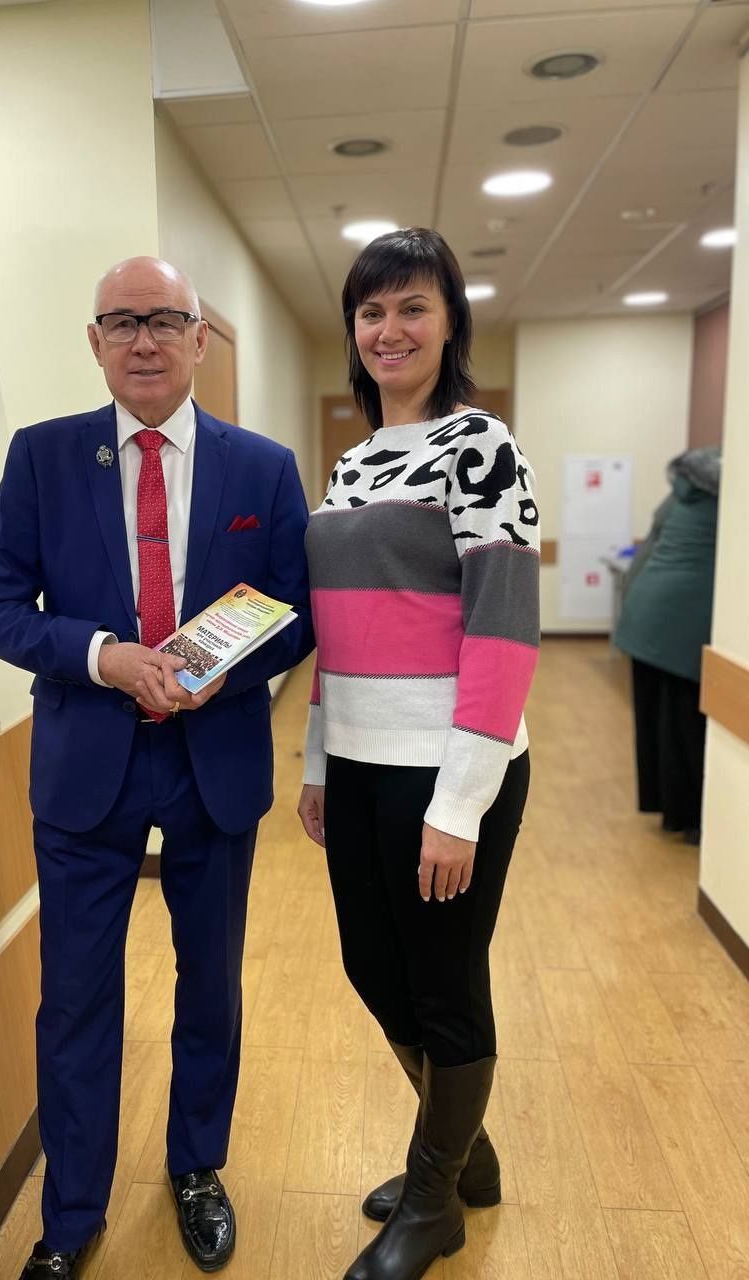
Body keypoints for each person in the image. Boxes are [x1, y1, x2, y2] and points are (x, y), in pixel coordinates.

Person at [0, 257, 313, 1279]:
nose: (144, 340)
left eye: (165, 320)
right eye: (122, 322)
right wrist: (101, 655)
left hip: (215, 760)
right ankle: (70, 1215)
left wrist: (233, 664)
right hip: (87, 766)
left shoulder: (263, 467)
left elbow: (297, 609)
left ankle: (196, 1167)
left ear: (201, 339)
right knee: (76, 996)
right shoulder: (43, 457)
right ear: (95, 342)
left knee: (211, 984)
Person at [297, 227, 540, 1280]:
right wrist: (318, 761)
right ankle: (463, 1153)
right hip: (357, 763)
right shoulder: (352, 463)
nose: (388, 329)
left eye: (412, 307)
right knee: (372, 965)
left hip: (446, 767)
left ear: (450, 324)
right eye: (371, 311)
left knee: (443, 982)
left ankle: (433, 1198)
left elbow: (504, 631)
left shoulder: (482, 446)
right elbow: (338, 630)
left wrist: (460, 803)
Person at [614, 446, 720, 844]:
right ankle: (692, 820)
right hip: (683, 622)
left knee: (658, 721)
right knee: (686, 725)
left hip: (645, 612)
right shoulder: (726, 502)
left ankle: (670, 811)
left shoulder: (679, 494)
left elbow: (646, 551)